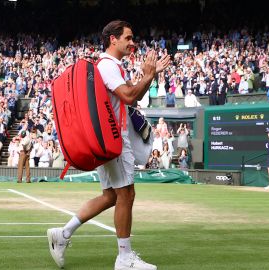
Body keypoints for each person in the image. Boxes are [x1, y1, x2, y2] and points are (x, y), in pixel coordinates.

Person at [47, 20, 170, 270]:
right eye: (128, 37)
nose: (133, 42)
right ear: (113, 39)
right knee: (126, 194)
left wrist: (149, 76)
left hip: (106, 137)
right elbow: (129, 95)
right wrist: (147, 75)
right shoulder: (108, 66)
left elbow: (129, 98)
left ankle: (63, 234)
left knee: (111, 195)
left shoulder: (106, 66)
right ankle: (124, 259)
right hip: (114, 139)